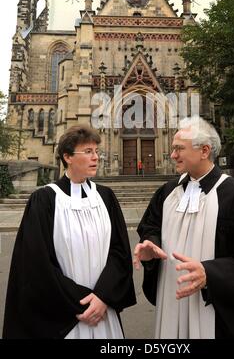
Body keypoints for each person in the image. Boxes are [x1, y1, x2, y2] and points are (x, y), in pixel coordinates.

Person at [134, 116, 234, 339]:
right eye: (173, 148)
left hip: (216, 316)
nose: (172, 154)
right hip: (172, 305)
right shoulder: (167, 193)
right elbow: (151, 226)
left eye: (179, 149)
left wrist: (211, 274)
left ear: (204, 150)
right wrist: (151, 244)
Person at [3, 125, 136, 339]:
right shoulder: (45, 200)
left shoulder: (106, 197)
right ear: (68, 157)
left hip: (103, 310)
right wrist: (83, 303)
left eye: (96, 152)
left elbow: (119, 252)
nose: (96, 157)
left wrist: (102, 298)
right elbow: (37, 264)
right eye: (88, 152)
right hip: (65, 315)